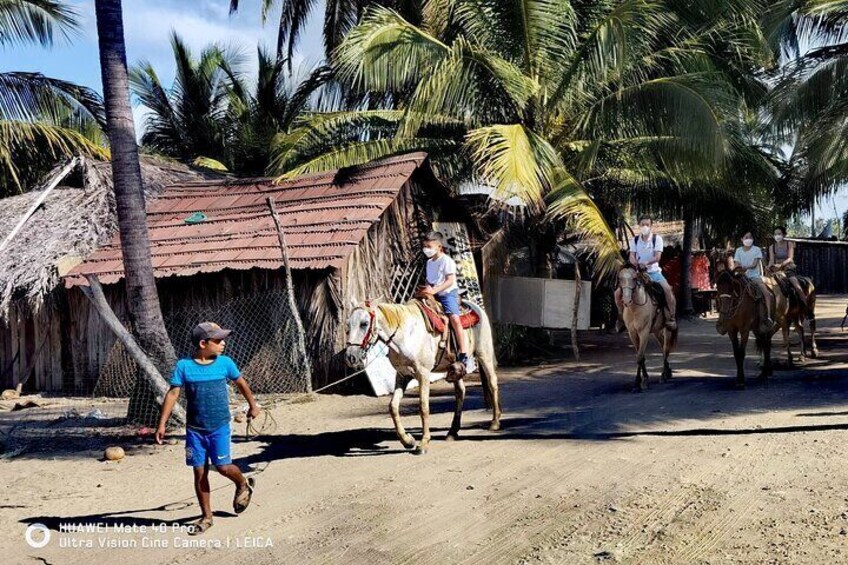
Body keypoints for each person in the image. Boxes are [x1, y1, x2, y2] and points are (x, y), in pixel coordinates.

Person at [155, 322, 261, 535]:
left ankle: (242, 483)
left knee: (222, 467)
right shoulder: (184, 366)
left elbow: (241, 383)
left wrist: (253, 405)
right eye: (218, 340)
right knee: (199, 472)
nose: (223, 344)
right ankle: (206, 517)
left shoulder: (225, 363)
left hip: (219, 426)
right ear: (203, 343)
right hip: (195, 430)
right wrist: (162, 423)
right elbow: (173, 393)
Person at [418, 231, 476, 374]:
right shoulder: (429, 263)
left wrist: (435, 290)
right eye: (425, 246)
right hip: (433, 294)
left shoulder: (447, 261)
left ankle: (463, 354)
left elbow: (449, 280)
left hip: (447, 293)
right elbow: (429, 280)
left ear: (439, 246)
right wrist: (427, 289)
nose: (426, 249)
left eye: (429, 246)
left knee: (455, 319)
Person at [615, 215, 677, 330]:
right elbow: (632, 255)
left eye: (647, 225)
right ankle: (621, 317)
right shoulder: (635, 240)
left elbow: (657, 257)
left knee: (667, 290)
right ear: (639, 226)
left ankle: (671, 318)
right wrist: (635, 263)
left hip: (654, 272)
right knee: (618, 293)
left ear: (651, 226)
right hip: (637, 273)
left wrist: (646, 263)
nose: (645, 227)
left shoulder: (656, 239)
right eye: (642, 224)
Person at [729, 232, 775, 333]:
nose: (748, 239)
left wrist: (745, 267)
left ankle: (767, 317)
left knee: (766, 293)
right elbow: (737, 263)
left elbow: (754, 264)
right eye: (746, 237)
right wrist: (736, 267)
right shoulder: (738, 250)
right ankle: (726, 317)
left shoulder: (756, 249)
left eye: (750, 237)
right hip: (741, 277)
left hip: (754, 277)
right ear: (742, 239)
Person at [768, 226, 808, 304]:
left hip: (788, 268)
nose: (777, 236)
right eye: (775, 234)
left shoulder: (789, 244)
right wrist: (769, 266)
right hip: (776, 270)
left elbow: (790, 258)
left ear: (784, 235)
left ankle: (805, 306)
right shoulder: (771, 247)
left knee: (797, 287)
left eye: (779, 234)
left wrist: (781, 265)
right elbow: (771, 260)